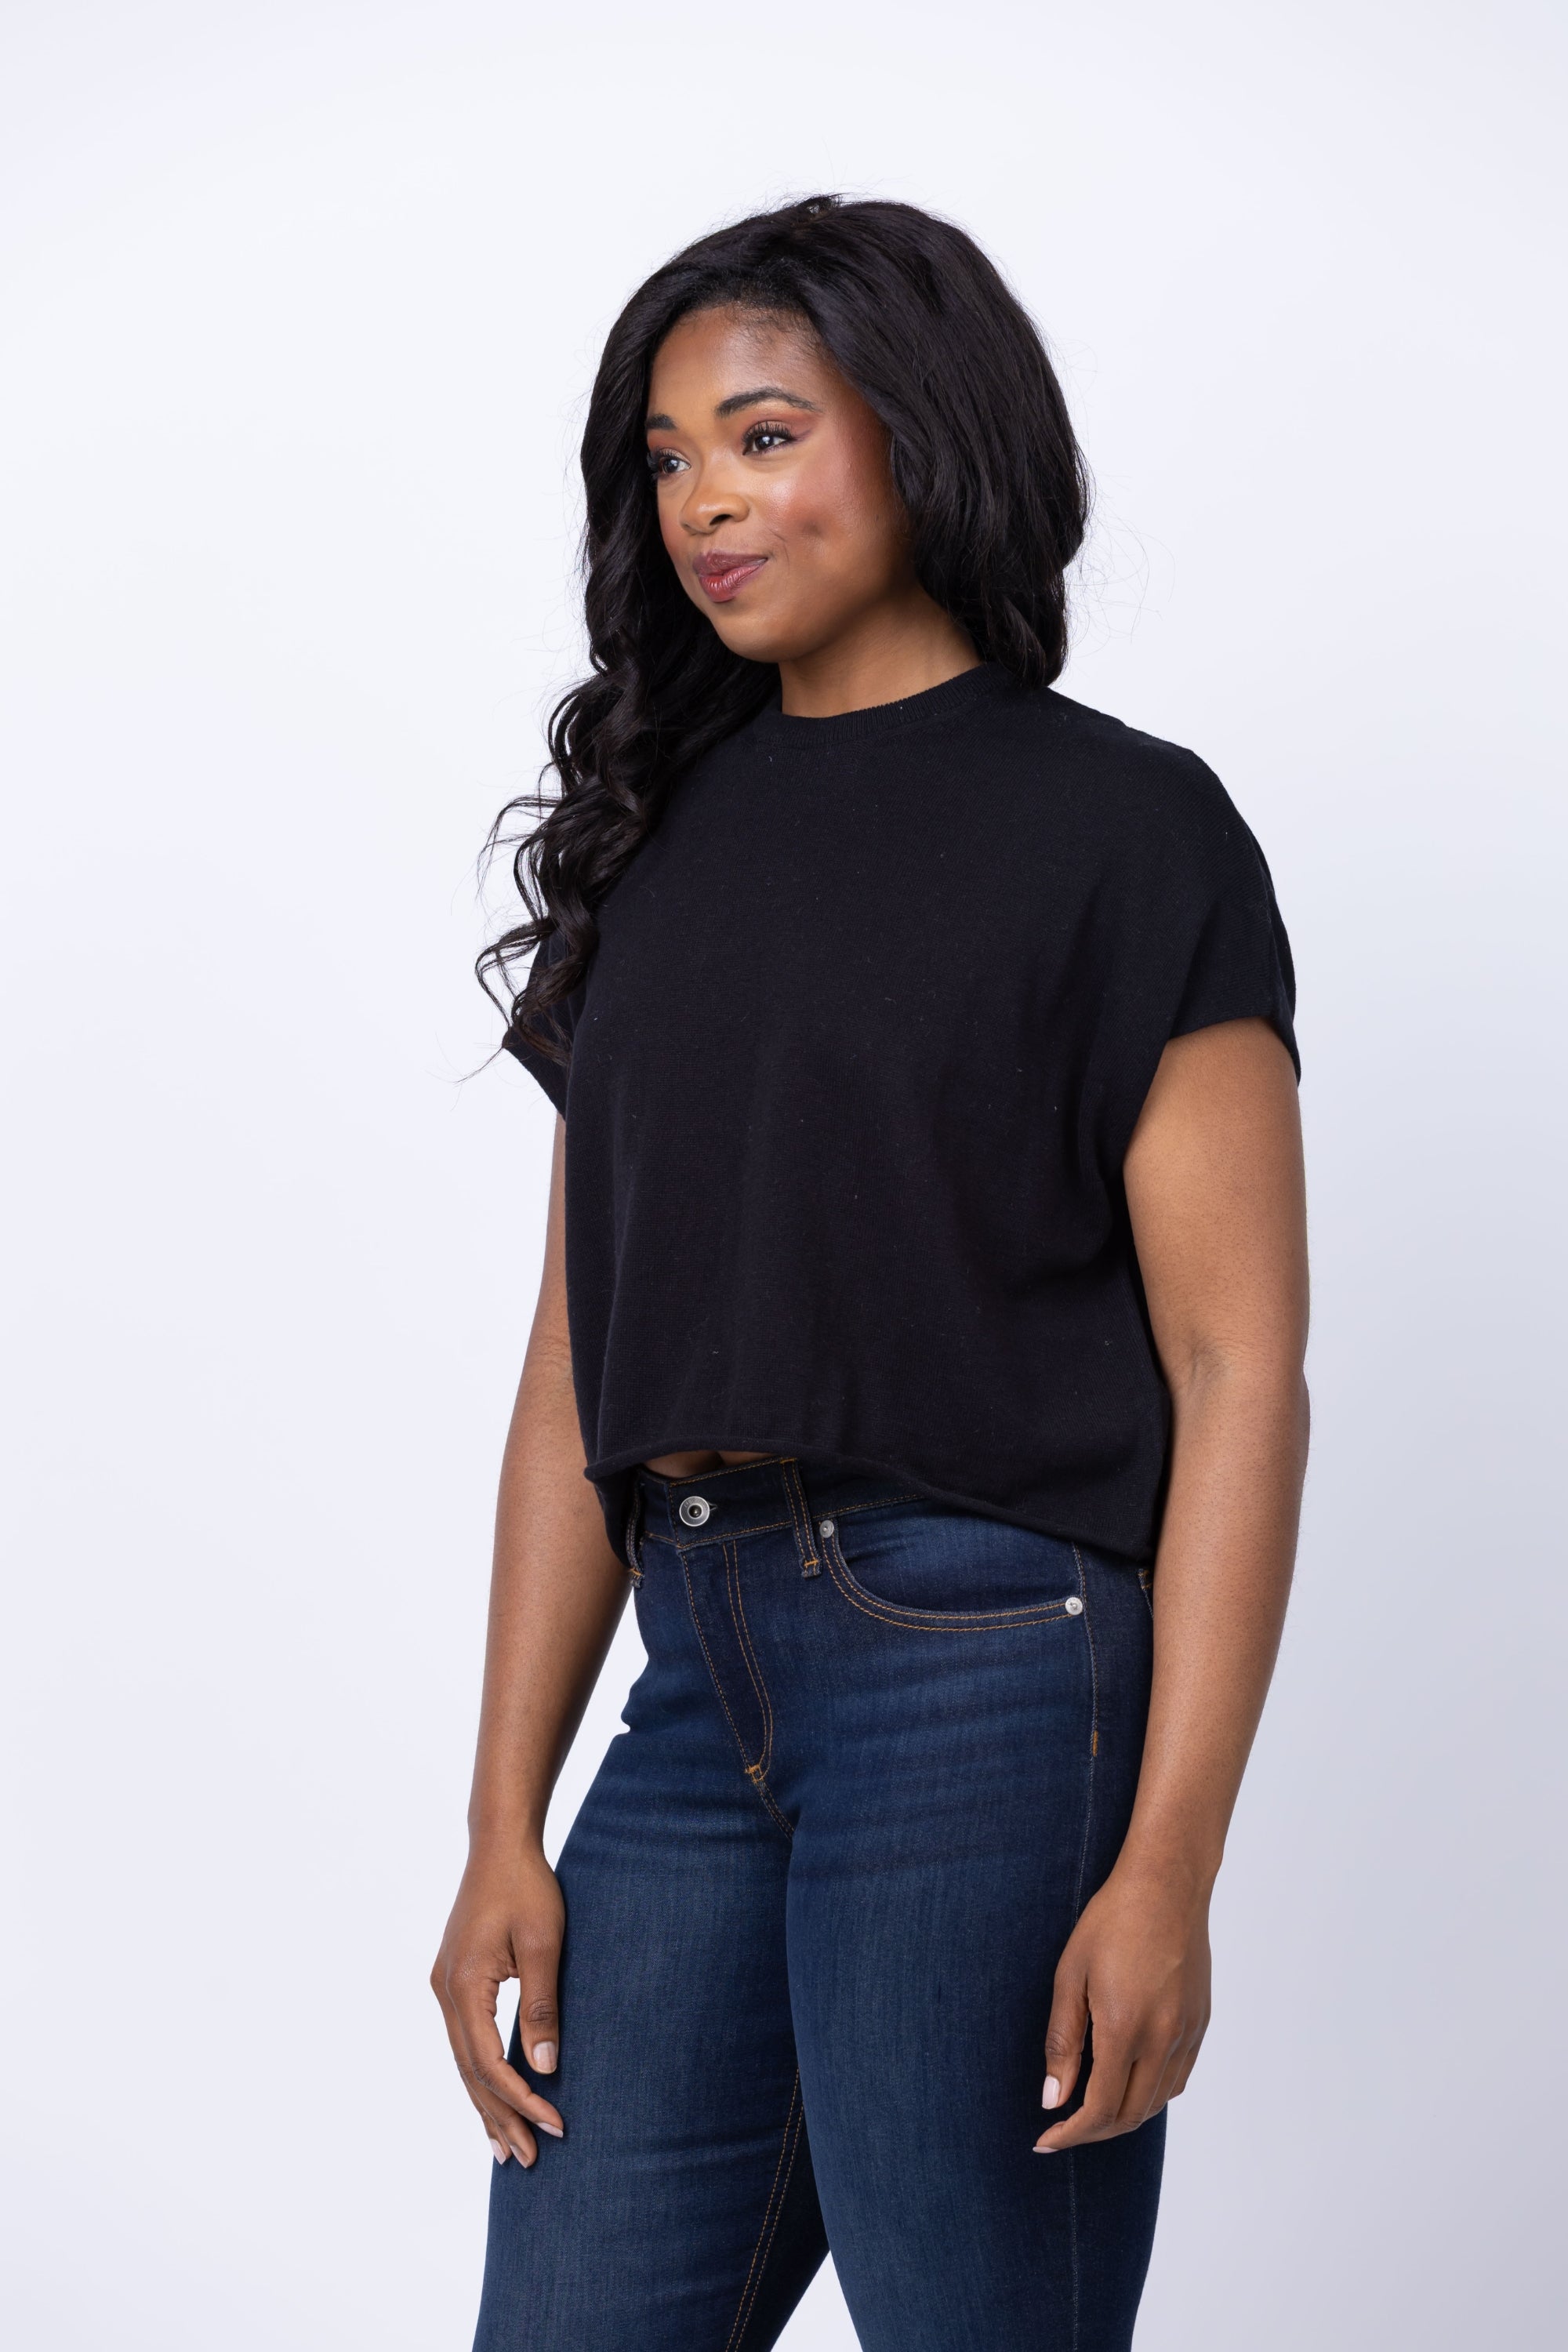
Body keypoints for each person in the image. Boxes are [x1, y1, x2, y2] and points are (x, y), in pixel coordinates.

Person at [431, 194, 1308, 2352]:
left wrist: (1172, 1863)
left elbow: (1239, 1364)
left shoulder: (1129, 830)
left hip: (986, 1672)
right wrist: (499, 1822)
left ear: (925, 434)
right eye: (667, 457)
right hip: (691, 1676)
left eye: (763, 435)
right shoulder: (655, 840)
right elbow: (578, 1370)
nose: (704, 502)